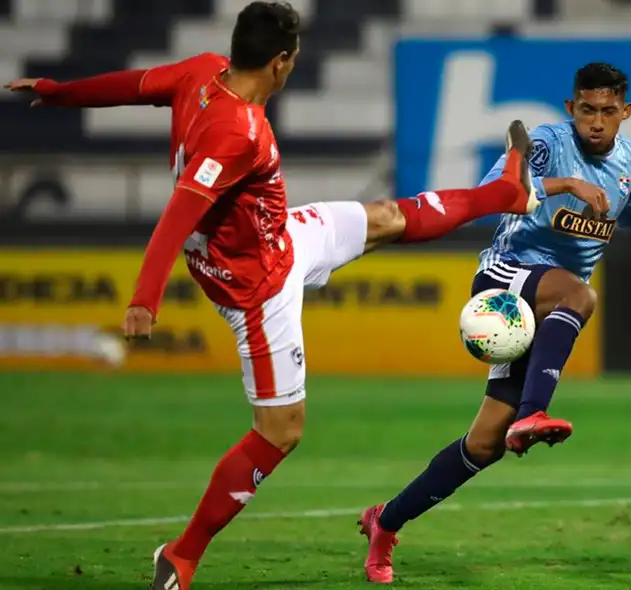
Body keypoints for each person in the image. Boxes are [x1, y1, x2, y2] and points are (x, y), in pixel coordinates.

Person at [5, 3, 543, 589]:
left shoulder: (202, 73)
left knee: (387, 216)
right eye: (292, 62)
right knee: (281, 431)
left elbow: (135, 85)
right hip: (257, 288)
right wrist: (144, 297)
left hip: (282, 236)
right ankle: (181, 556)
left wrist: (61, 93)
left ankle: (505, 194)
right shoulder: (238, 132)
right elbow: (179, 212)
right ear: (281, 62)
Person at [358, 62, 631, 584]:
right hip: (503, 277)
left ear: (625, 113)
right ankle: (534, 413)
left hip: (548, 305)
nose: (597, 122)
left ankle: (386, 520)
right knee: (581, 293)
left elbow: (618, 213)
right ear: (571, 109)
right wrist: (568, 184)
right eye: (587, 110)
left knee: (483, 445)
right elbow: (499, 187)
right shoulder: (546, 141)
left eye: (608, 112)